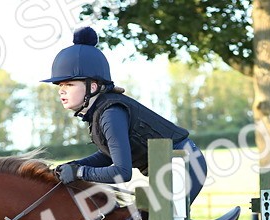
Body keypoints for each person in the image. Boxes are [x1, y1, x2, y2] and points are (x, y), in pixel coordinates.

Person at [43, 27, 208, 205]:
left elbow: (122, 172)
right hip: (169, 168)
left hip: (185, 165)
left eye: (69, 84)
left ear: (92, 87)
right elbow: (107, 155)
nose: (61, 91)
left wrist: (80, 172)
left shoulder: (110, 114)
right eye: (60, 85)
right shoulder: (100, 111)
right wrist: (73, 165)